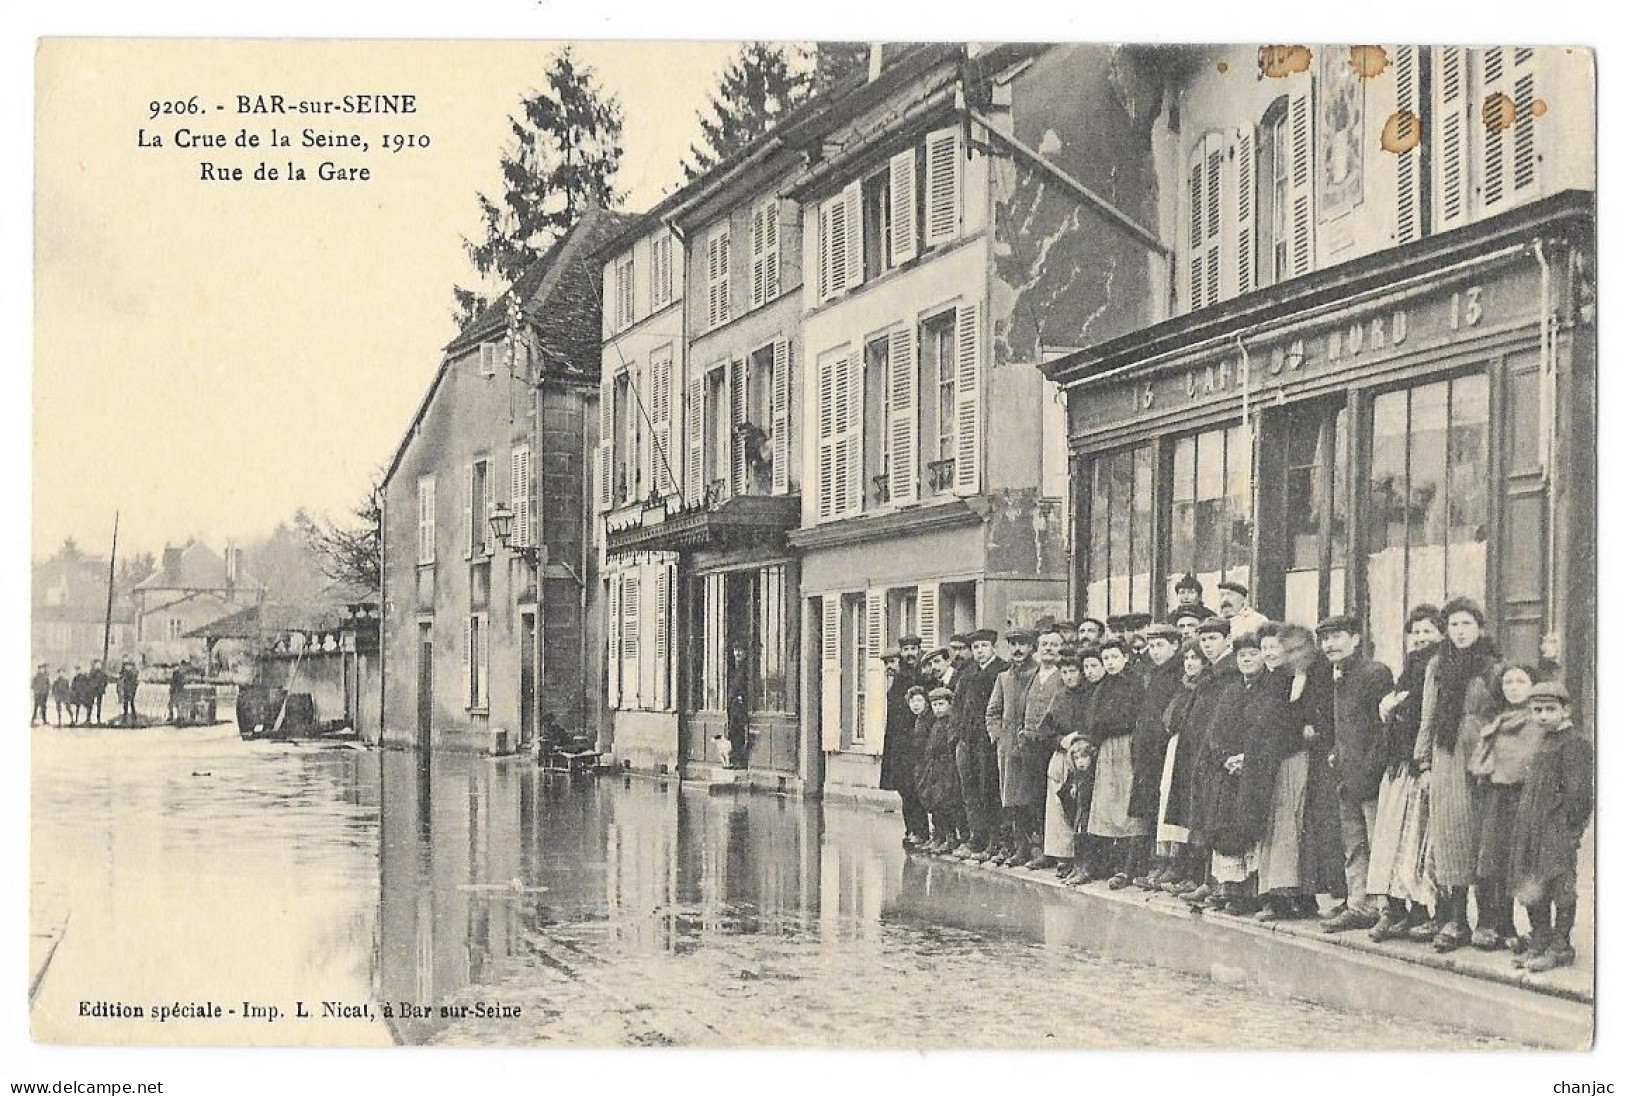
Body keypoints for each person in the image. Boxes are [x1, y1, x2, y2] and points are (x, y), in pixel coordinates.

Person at [1418, 597, 1501, 952]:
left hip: (1483, 755)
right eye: (1453, 625)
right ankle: (1455, 919)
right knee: (1450, 835)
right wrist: (1423, 764)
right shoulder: (1437, 665)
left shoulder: (1494, 667)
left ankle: (1487, 922)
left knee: (1483, 837)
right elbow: (1428, 717)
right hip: (1447, 754)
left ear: (1479, 628)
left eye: (1466, 624)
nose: (1460, 632)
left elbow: (1504, 715)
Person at [1367, 605, 1445, 942]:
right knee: (1393, 840)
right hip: (1399, 764)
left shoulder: (1440, 667)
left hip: (1422, 764)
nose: (1421, 637)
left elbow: (1428, 717)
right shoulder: (1411, 666)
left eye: (1428, 630)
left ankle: (1421, 912)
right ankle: (1396, 910)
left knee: (1419, 842)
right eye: (1416, 632)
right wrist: (1389, 708)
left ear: (1441, 634)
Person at [1253, 624, 1339, 922]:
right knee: (1283, 826)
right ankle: (1278, 895)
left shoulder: (1322, 676)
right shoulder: (1278, 679)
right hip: (1284, 761)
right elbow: (1272, 722)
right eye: (1289, 650)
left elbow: (1324, 719)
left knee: (1307, 828)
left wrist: (1307, 729)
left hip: (1310, 761)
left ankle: (1305, 895)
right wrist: (1298, 729)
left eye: (1301, 649)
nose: (1295, 655)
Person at [1197, 632, 1287, 915]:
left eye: (1252, 654)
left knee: (1251, 828)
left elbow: (1269, 730)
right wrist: (1225, 759)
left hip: (1256, 770)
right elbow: (1215, 731)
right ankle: (1230, 891)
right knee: (1226, 828)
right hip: (1229, 771)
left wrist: (1248, 759)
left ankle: (1252, 893)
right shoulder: (1232, 690)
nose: (1247, 660)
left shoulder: (1271, 690)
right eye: (1242, 656)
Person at [1316, 615, 1396, 932]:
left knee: (1379, 844)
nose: (1330, 644)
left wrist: (1371, 769)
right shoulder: (1339, 675)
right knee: (1354, 845)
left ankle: (1386, 909)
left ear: (1356, 640)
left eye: (1337, 637)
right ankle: (1358, 905)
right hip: (1347, 775)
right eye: (1325, 639)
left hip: (1371, 775)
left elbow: (1384, 728)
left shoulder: (1374, 673)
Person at [1508, 682, 1592, 973]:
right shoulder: (1542, 740)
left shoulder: (1575, 744)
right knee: (1532, 885)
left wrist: (1571, 830)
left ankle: (1561, 946)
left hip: (1556, 829)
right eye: (1537, 710)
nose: (1543, 715)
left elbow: (1579, 795)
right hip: (1532, 827)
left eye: (1550, 709)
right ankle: (1540, 938)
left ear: (1565, 710)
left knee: (1561, 887)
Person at [1469, 663, 1542, 950]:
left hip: (1522, 799)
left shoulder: (1537, 723)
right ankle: (1492, 924)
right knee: (1490, 861)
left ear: (1532, 686)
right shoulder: (1497, 720)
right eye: (1508, 682)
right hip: (1494, 798)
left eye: (1520, 681)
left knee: (1519, 862)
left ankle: (1523, 928)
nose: (1512, 687)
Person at [1083, 637, 1150, 887]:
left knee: (1127, 804)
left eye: (1114, 657)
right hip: (1107, 749)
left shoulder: (1134, 683)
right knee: (1106, 805)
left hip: (1128, 745)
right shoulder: (1102, 688)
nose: (1110, 663)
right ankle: (1108, 863)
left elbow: (1132, 716)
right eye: (1106, 659)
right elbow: (1094, 719)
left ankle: (1129, 867)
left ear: (1125, 658)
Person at [1127, 623, 1186, 887]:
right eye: (1151, 646)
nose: (1155, 651)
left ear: (1175, 645)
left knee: (1167, 807)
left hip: (1165, 747)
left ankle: (1171, 863)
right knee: (1151, 807)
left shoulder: (1178, 674)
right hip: (1148, 748)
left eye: (1160, 645)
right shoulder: (1151, 673)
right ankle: (1156, 862)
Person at [1152, 640, 1208, 891]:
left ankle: (1190, 870)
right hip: (1177, 748)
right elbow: (1171, 720)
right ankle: (1173, 864)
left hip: (1192, 750)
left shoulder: (1201, 687)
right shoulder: (1183, 687)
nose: (1190, 663)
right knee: (1173, 805)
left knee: (1190, 808)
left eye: (1196, 658)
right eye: (1187, 659)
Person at [1011, 628, 1068, 868]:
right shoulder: (1033, 675)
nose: (1048, 648)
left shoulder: (1063, 675)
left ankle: (1055, 851)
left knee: (1053, 798)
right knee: (1031, 797)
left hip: (1052, 744)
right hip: (1029, 745)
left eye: (1054, 645)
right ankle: (1036, 847)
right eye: (1044, 644)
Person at [986, 629, 1039, 865]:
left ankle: (1039, 848)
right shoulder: (1003, 678)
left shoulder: (1038, 674)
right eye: (1014, 644)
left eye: (1023, 644)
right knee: (1013, 801)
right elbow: (993, 711)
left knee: (1033, 797)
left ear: (1032, 647)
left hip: (1031, 745)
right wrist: (997, 736)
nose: (1018, 649)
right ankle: (1020, 848)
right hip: (1008, 747)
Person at [951, 629, 1006, 861]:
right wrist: (956, 737)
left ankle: (994, 840)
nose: (980, 651)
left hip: (989, 743)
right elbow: (957, 706)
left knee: (989, 790)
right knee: (970, 791)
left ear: (993, 647)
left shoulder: (1002, 671)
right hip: (968, 741)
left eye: (984, 646)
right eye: (975, 647)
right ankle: (977, 837)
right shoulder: (968, 674)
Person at [1038, 654, 1090, 875]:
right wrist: (1061, 740)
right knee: (1058, 805)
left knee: (1081, 806)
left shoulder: (1090, 694)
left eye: (1073, 671)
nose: (1069, 677)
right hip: (1062, 755)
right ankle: (1063, 856)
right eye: (1065, 672)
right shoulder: (1059, 697)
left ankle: (1082, 857)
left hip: (1085, 756)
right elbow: (1044, 731)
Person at [881, 649, 929, 848]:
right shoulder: (895, 684)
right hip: (896, 745)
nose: (890, 667)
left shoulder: (911, 681)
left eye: (892, 662)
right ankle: (911, 830)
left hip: (910, 744)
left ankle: (921, 831)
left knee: (913, 790)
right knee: (904, 789)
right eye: (886, 664)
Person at [915, 686, 965, 853]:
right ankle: (941, 835)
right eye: (935, 705)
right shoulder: (935, 724)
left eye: (941, 704)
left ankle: (952, 838)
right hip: (935, 769)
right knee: (936, 802)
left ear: (950, 705)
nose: (938, 708)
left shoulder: (951, 723)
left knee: (949, 803)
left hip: (948, 768)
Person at [725, 643, 750, 769]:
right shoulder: (734, 668)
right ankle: (734, 760)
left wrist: (741, 697)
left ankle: (739, 760)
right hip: (732, 705)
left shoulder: (747, 668)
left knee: (738, 732)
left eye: (740, 650)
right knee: (733, 732)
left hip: (740, 706)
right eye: (736, 650)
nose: (737, 653)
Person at [86, 659, 109, 725]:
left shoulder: (103, 674)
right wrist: (91, 687)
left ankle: (98, 720)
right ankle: (88, 719)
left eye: (99, 665)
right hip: (92, 691)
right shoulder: (92, 673)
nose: (98, 666)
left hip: (99, 691)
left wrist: (103, 687)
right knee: (90, 705)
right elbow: (89, 681)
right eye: (97, 665)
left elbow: (105, 682)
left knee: (99, 706)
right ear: (95, 665)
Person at [117, 659, 139, 725]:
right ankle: (125, 716)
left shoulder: (133, 673)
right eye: (126, 665)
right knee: (125, 703)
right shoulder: (124, 673)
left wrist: (132, 690)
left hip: (131, 690)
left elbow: (134, 683)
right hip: (125, 689)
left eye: (129, 665)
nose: (128, 667)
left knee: (131, 703)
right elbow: (120, 682)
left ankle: (133, 716)